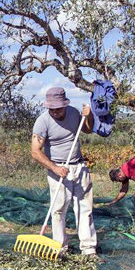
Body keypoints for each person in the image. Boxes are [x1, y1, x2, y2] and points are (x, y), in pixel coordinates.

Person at [30, 87, 96, 256]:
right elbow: (35, 151)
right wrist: (55, 168)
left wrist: (88, 116)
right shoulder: (42, 122)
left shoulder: (74, 113)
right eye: (52, 109)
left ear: (65, 104)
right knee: (59, 208)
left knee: (84, 207)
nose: (55, 112)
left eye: (58, 108)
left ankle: (88, 249)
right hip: (57, 168)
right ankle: (60, 247)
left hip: (78, 166)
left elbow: (87, 129)